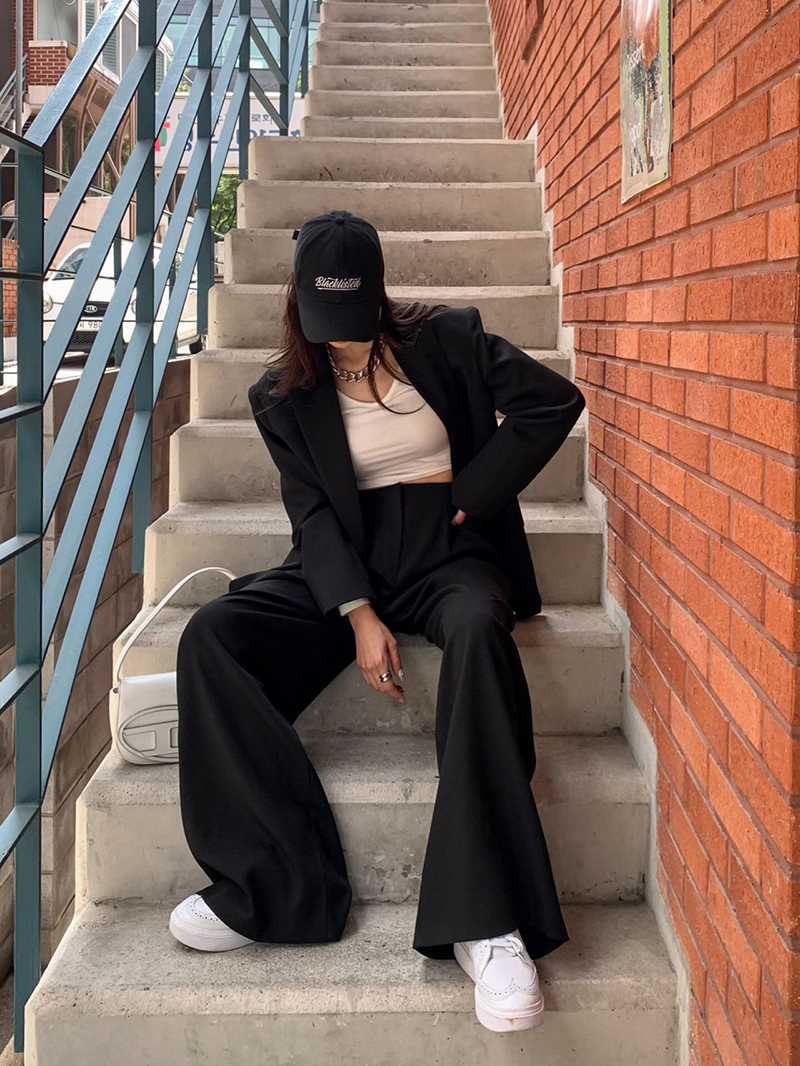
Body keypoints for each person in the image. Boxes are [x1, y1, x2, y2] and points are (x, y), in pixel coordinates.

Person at [169, 209, 586, 1034]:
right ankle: (273, 887)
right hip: (344, 564)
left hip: (448, 556)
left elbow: (552, 402)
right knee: (211, 638)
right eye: (324, 318)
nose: (341, 336)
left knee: (479, 634)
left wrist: (474, 492)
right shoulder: (280, 395)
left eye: (353, 316)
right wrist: (357, 613)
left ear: (379, 291)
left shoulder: (450, 340)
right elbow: (313, 514)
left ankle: (486, 920)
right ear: (297, 303)